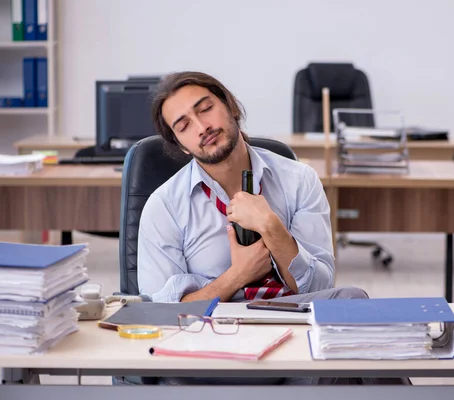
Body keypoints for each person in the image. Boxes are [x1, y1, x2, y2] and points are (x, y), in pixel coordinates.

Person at [124, 71, 410, 386]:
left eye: (205, 108)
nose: (202, 127)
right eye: (184, 125)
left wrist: (272, 227)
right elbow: (161, 318)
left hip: (290, 326)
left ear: (231, 106)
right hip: (215, 334)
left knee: (351, 304)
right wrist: (237, 276)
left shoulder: (299, 179)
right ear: (182, 146)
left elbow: (320, 285)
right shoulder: (163, 205)